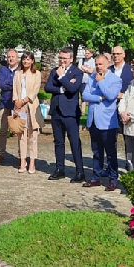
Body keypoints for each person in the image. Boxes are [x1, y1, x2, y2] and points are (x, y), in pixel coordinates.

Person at [81, 54, 122, 191]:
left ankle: (113, 179)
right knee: (96, 151)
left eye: (100, 64)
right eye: (96, 64)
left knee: (110, 152)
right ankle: (95, 177)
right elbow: (85, 95)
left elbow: (111, 96)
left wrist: (101, 81)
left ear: (108, 64)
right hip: (93, 121)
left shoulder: (115, 79)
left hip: (107, 122)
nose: (98, 66)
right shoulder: (92, 78)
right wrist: (99, 98)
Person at [45, 47, 85, 182]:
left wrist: (62, 77)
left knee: (74, 142)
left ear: (71, 59)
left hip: (70, 113)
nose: (62, 61)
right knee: (58, 142)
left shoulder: (77, 72)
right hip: (56, 111)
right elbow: (48, 87)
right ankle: (59, 168)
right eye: (60, 58)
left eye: (65, 58)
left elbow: (74, 89)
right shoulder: (54, 71)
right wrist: (63, 88)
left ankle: (80, 171)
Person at [12, 51, 43, 174]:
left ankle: (32, 162)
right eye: (24, 59)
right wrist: (17, 103)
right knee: (22, 134)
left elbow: (34, 91)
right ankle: (22, 161)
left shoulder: (37, 74)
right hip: (20, 107)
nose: (26, 61)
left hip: (31, 106)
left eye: (28, 59)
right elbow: (15, 90)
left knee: (33, 135)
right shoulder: (17, 74)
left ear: (32, 61)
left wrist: (24, 100)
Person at [0, 49, 18, 164]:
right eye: (9, 56)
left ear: (17, 58)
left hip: (18, 104)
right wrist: (13, 84)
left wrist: (11, 84)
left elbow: (19, 86)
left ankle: (21, 156)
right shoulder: (3, 70)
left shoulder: (21, 70)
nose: (11, 58)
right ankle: (1, 153)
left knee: (19, 130)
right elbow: (2, 85)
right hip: (4, 103)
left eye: (13, 56)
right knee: (2, 130)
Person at [78, 48, 95, 113]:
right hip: (81, 80)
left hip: (89, 81)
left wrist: (84, 68)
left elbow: (91, 71)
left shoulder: (93, 61)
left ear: (91, 54)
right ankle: (82, 111)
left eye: (88, 53)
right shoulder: (81, 60)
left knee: (86, 95)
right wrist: (87, 69)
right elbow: (79, 68)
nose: (86, 54)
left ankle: (85, 110)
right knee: (81, 95)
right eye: (86, 53)